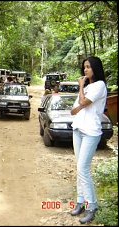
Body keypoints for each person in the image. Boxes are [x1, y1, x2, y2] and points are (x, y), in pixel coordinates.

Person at [70, 56, 107, 224]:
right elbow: (73, 110)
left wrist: (80, 88)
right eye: (84, 67)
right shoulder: (88, 87)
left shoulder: (99, 86)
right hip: (77, 129)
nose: (85, 70)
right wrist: (82, 93)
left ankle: (92, 205)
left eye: (89, 67)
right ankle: (80, 201)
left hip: (91, 132)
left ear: (96, 69)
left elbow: (83, 103)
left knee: (83, 169)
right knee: (79, 168)